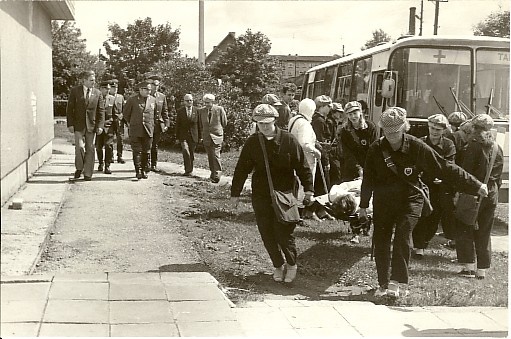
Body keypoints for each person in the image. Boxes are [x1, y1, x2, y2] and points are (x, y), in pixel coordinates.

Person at [359, 107, 487, 298]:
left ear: (404, 128)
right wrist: (363, 205)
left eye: (395, 132)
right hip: (384, 201)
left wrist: (475, 185)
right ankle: (383, 283)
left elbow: (444, 167)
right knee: (381, 241)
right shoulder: (376, 149)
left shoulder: (416, 146)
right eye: (387, 132)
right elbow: (368, 178)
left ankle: (397, 282)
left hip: (410, 199)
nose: (392, 137)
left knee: (403, 235)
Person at [230, 104, 314, 283]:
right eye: (260, 123)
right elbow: (241, 169)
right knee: (266, 232)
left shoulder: (289, 140)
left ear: (275, 121)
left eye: (267, 123)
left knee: (283, 233)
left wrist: (309, 189)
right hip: (261, 194)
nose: (264, 126)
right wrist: (235, 194)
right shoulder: (253, 142)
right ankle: (278, 265)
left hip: (285, 195)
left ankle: (291, 264)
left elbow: (302, 166)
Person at [455, 114, 503, 280]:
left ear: (474, 128)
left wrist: (459, 192)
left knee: (464, 225)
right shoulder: (497, 147)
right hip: (491, 193)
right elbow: (499, 176)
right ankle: (481, 269)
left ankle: (468, 266)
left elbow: (466, 173)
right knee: (484, 230)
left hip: (473, 191)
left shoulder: (472, 146)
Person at [412, 114, 457, 257]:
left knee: (434, 216)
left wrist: (443, 179)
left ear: (444, 130)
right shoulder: (421, 142)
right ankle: (418, 247)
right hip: (422, 185)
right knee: (420, 216)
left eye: (438, 129)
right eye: (432, 128)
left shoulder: (448, 145)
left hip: (440, 187)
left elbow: (450, 165)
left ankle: (423, 243)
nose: (435, 131)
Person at [66, 70, 105, 181]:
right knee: (79, 147)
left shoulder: (98, 93)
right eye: (91, 80)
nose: (94, 82)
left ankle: (88, 173)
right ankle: (79, 168)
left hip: (92, 126)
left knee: (90, 149)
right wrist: (70, 124)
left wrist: (100, 126)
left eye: (94, 80)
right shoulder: (75, 91)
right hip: (78, 125)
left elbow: (101, 111)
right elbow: (70, 109)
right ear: (84, 80)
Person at [288, 99, 322, 220]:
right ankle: (299, 214)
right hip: (305, 159)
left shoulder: (294, 120)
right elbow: (304, 143)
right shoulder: (305, 124)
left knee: (297, 185)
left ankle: (296, 212)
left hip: (293, 156)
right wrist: (315, 151)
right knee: (303, 186)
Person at [123, 81, 158, 180]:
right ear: (141, 90)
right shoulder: (132, 100)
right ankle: (138, 170)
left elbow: (155, 114)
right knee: (137, 151)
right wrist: (132, 123)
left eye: (150, 89)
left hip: (148, 129)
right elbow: (126, 114)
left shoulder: (153, 100)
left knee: (146, 151)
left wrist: (151, 124)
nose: (148, 91)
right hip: (136, 129)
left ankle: (144, 170)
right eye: (146, 89)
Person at [340, 101, 377, 182]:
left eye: (355, 113)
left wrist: (367, 167)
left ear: (360, 112)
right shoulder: (345, 131)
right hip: (351, 169)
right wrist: (358, 168)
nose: (353, 117)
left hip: (369, 167)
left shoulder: (370, 127)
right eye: (350, 114)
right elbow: (347, 153)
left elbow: (373, 149)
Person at [198, 94, 227, 183]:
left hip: (217, 136)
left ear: (213, 102)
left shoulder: (219, 109)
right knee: (210, 156)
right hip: (206, 137)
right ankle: (212, 174)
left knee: (215, 154)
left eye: (208, 103)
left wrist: (217, 130)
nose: (206, 104)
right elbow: (200, 124)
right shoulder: (201, 111)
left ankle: (217, 174)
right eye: (205, 102)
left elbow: (224, 122)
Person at [146, 75, 169, 172]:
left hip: (157, 125)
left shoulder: (162, 97)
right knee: (147, 144)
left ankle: (154, 164)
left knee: (154, 145)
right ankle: (146, 163)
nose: (156, 87)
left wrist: (166, 124)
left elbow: (165, 111)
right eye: (154, 85)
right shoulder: (146, 95)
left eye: (157, 85)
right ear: (150, 85)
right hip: (147, 124)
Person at [312, 95, 333, 195]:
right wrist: (326, 161)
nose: (330, 109)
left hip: (320, 156)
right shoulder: (319, 121)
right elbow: (320, 143)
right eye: (328, 106)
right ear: (322, 106)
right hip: (321, 157)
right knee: (322, 186)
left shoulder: (318, 119)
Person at [95, 81, 116, 174]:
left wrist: (116, 126)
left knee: (108, 146)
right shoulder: (95, 99)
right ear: (100, 89)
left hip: (109, 126)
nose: (107, 90)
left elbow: (115, 114)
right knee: (98, 147)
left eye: (108, 89)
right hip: (98, 126)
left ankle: (107, 166)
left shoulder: (112, 99)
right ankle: (100, 163)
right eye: (105, 88)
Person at [175, 94, 199, 176]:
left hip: (193, 136)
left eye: (190, 100)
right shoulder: (180, 111)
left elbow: (199, 125)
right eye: (187, 100)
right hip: (183, 136)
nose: (189, 102)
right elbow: (177, 125)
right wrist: (177, 137)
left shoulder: (197, 111)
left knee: (191, 153)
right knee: (186, 151)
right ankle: (187, 170)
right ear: (184, 102)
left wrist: (200, 137)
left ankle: (190, 170)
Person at [327, 103, 345, 186]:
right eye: (338, 112)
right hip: (332, 153)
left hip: (334, 152)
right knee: (336, 174)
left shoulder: (334, 122)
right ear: (333, 112)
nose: (340, 114)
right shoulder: (330, 123)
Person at [109, 79, 126, 164]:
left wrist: (122, 115)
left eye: (116, 87)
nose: (115, 89)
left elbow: (124, 108)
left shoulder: (120, 97)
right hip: (111, 120)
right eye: (113, 87)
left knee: (120, 139)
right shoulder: (107, 97)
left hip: (119, 121)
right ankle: (110, 156)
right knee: (110, 139)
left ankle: (120, 156)